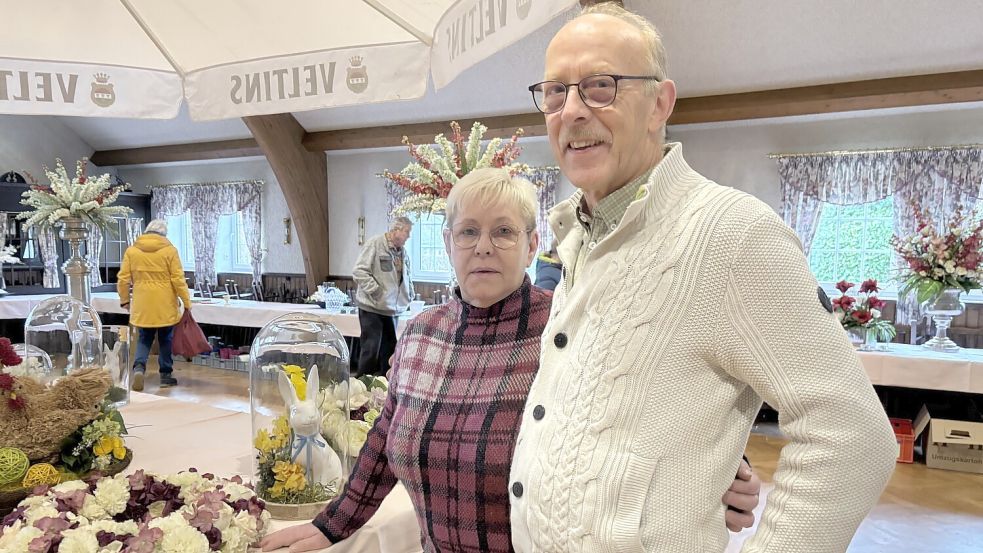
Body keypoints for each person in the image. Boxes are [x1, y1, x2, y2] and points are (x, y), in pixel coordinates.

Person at [509, 5, 897, 552]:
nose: (571, 111)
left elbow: (852, 436)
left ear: (659, 104)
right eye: (555, 92)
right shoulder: (577, 237)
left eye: (600, 86)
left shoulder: (732, 233)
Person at [259, 169, 759, 553]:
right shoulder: (419, 335)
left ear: (532, 244)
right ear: (448, 243)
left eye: (503, 232)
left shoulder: (569, 327)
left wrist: (723, 467)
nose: (484, 248)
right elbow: (385, 442)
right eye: (468, 232)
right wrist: (329, 527)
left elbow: (654, 403)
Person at [117, 219, 191, 390]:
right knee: (166, 338)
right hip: (165, 302)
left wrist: (125, 300)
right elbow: (178, 279)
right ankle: (165, 375)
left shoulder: (132, 251)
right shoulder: (170, 251)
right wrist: (187, 301)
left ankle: (139, 369)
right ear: (164, 234)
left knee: (144, 337)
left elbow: (123, 279)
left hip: (142, 302)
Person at [352, 216, 414, 377]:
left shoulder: (402, 251)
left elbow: (406, 276)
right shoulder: (375, 244)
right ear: (396, 230)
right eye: (407, 232)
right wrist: (377, 292)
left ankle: (385, 386)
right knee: (371, 348)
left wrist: (410, 295)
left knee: (389, 349)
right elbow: (359, 271)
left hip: (391, 308)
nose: (409, 236)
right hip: (372, 306)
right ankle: (362, 385)